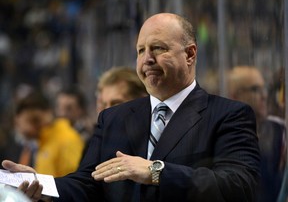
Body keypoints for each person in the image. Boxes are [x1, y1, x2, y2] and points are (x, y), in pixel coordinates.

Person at [2, 13, 260, 202]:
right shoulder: (113, 118)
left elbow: (239, 186)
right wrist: (43, 185)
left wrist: (155, 171)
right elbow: (87, 184)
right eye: (140, 50)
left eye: (158, 48)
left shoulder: (229, 115)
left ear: (190, 54)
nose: (147, 59)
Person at [228, 66, 287, 202]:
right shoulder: (224, 137)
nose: (264, 96)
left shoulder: (280, 129)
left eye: (263, 88)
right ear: (235, 96)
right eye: (255, 89)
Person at [10, 91, 84, 177]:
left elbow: (72, 181)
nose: (22, 129)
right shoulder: (43, 141)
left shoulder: (67, 138)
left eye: (32, 120)